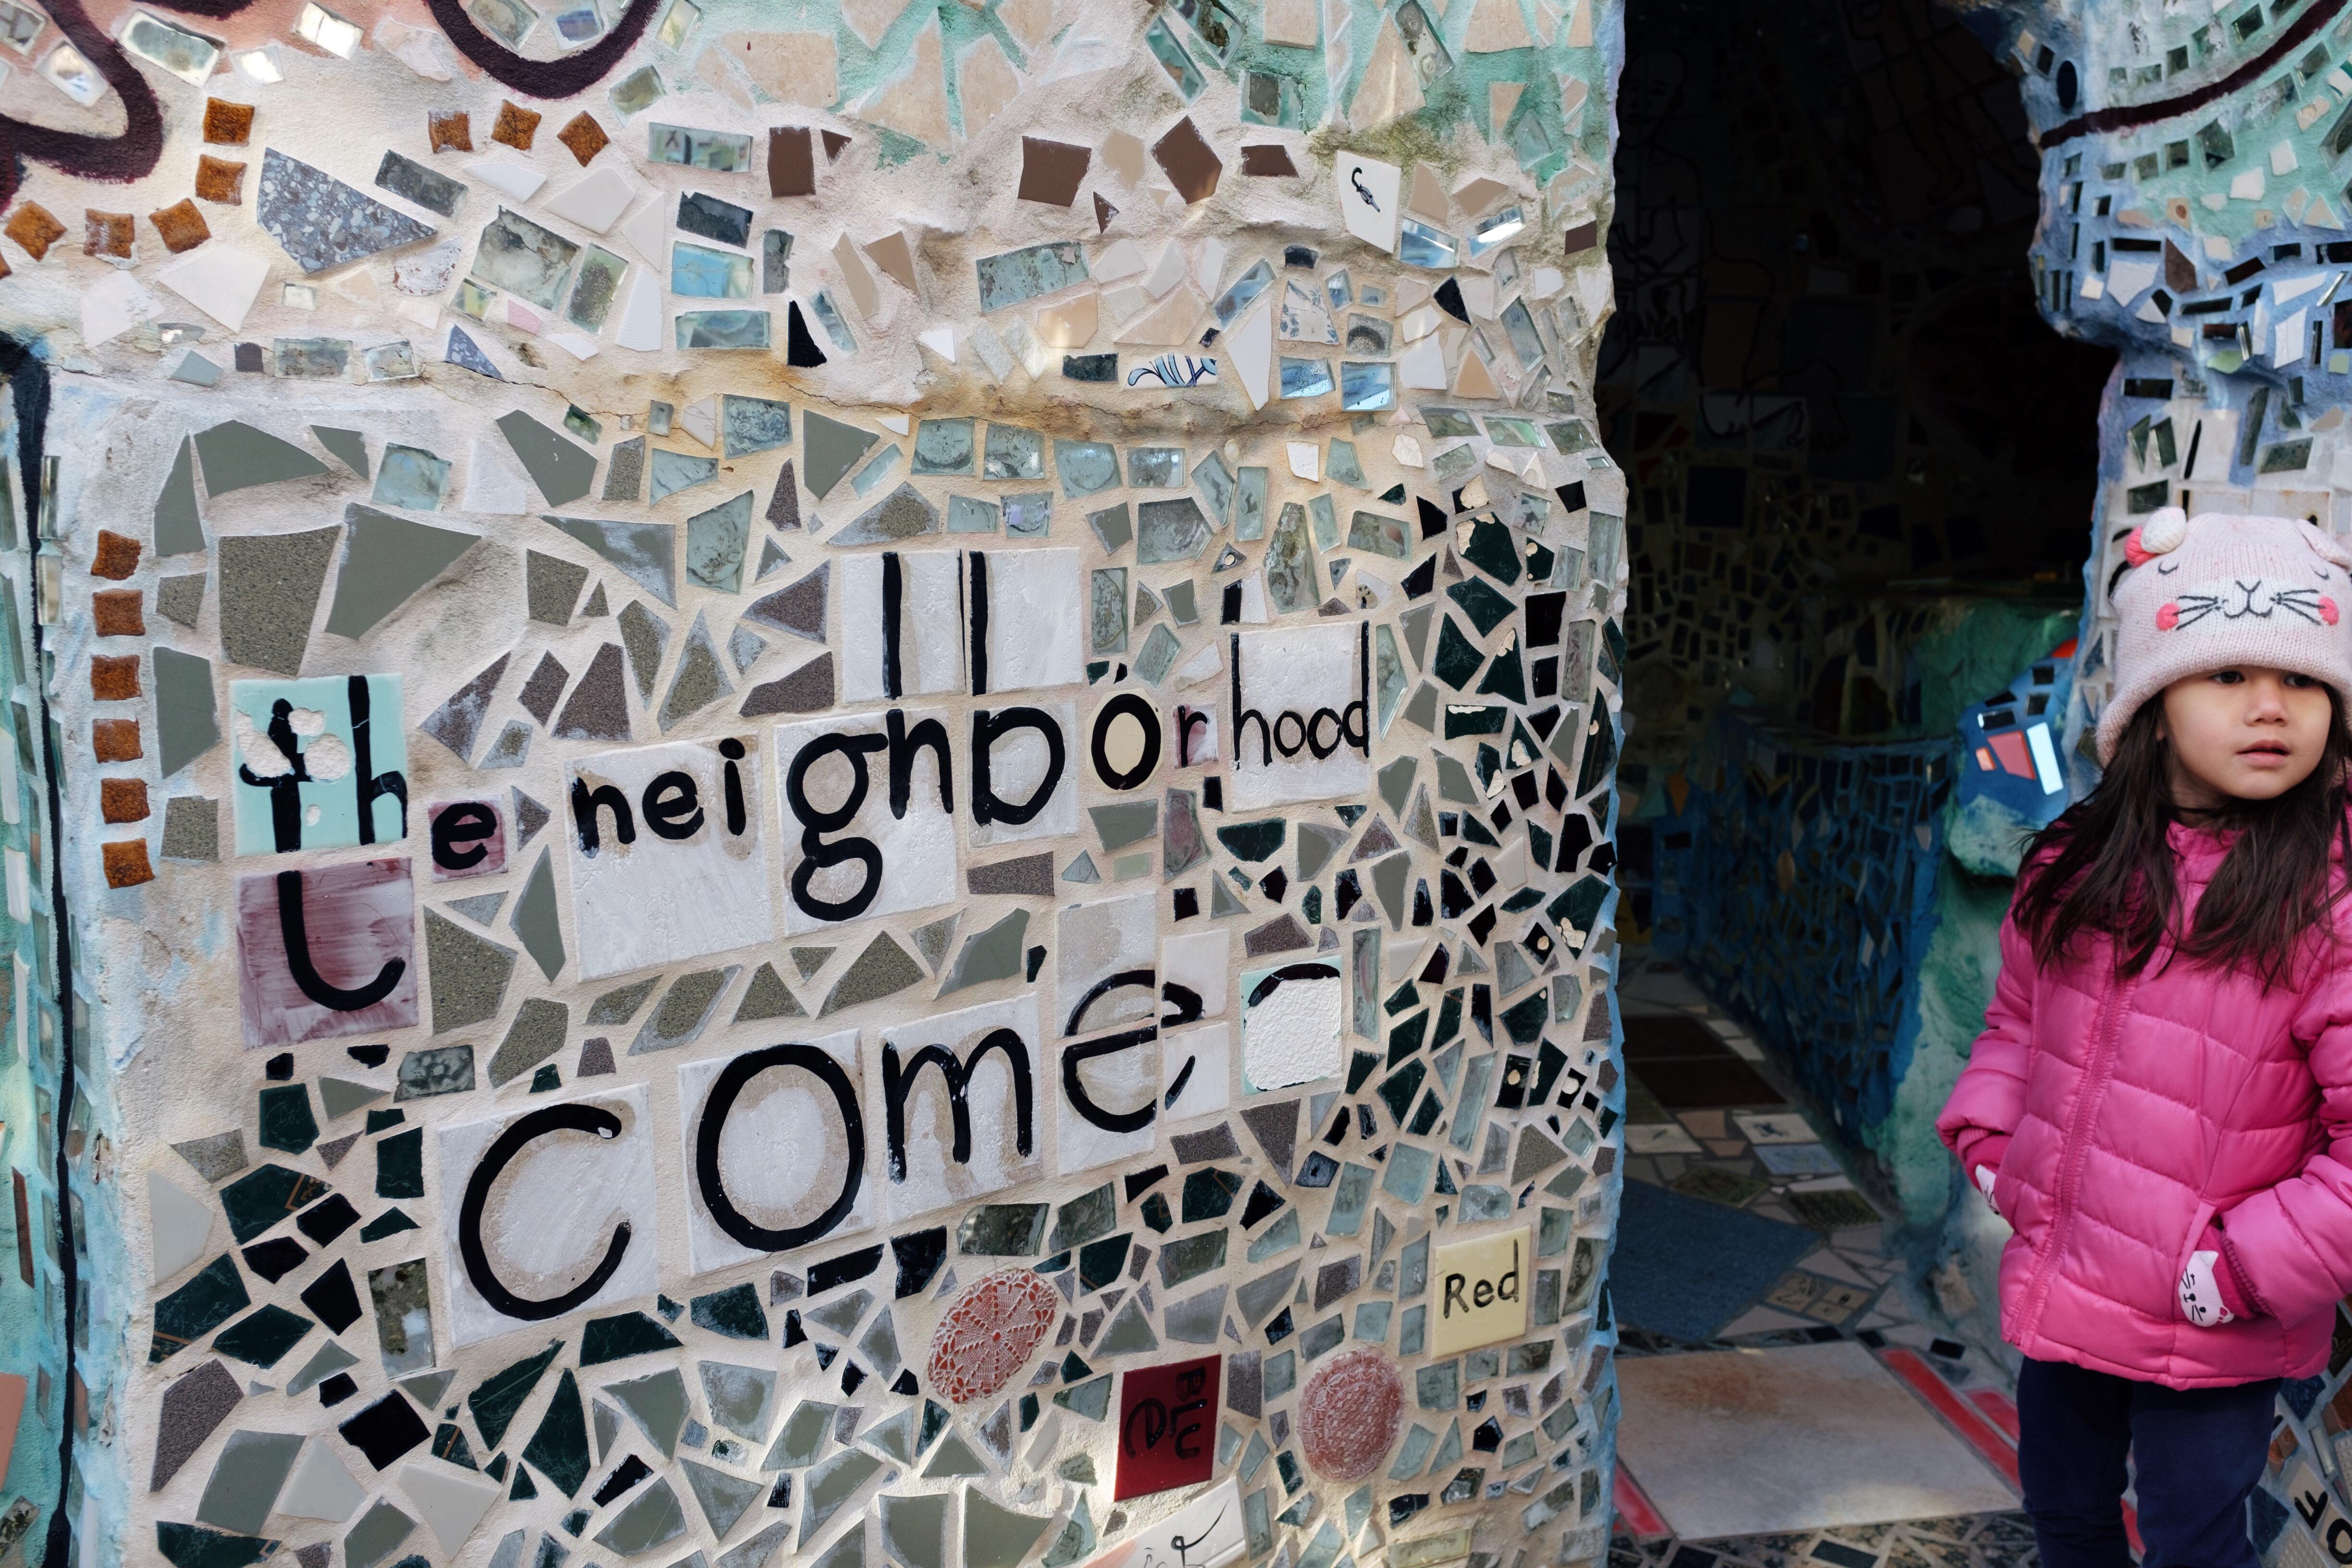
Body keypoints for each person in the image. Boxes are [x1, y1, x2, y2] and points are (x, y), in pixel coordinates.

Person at [1938, 505, 2352, 1568]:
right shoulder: (2076, 863)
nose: (2272, 707)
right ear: (2155, 704)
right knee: (2065, 1512)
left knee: (2190, 1538)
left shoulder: (2331, 902)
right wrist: (1994, 1146)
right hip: (2070, 1280)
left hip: (2211, 1322)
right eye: (2228, 675)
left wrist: (2244, 1268)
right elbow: (2019, 1024)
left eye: (2304, 680)